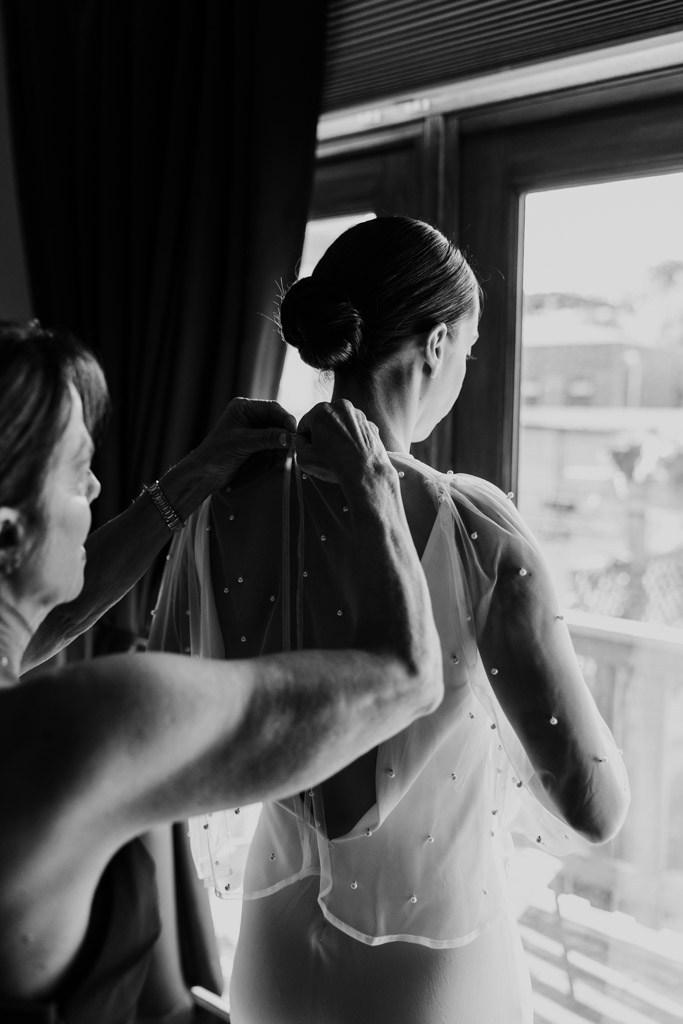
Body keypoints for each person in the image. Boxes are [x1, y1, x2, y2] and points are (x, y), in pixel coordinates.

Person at [151, 216, 631, 1024]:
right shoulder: (473, 531)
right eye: (469, 352)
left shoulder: (221, 503)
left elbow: (170, 727)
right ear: (437, 342)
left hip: (270, 955)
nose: (462, 374)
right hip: (429, 974)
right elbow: (595, 806)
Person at [0, 320, 444, 1023]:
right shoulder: (87, 725)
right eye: (75, 469)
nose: (96, 486)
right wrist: (375, 487)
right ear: (8, 529)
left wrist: (195, 474)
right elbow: (408, 676)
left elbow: (42, 622)